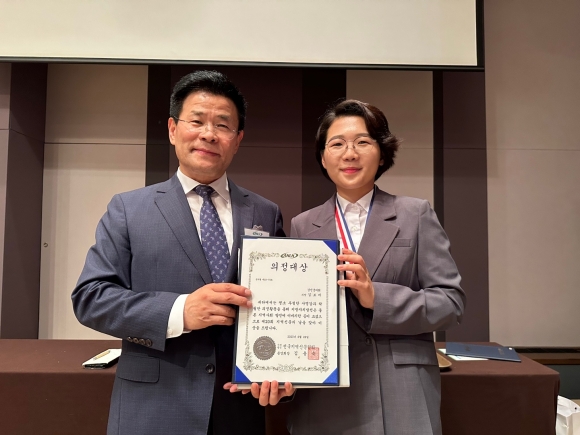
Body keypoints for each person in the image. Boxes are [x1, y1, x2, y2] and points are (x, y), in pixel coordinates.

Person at [229, 99, 466, 435]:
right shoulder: (302, 224)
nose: (349, 153)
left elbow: (451, 303)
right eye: (337, 144)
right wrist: (282, 371)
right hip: (326, 402)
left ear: (382, 154)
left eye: (362, 142)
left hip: (401, 392)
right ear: (323, 158)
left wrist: (376, 297)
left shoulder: (415, 215)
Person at [72, 70, 285, 435]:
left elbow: (278, 305)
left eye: (223, 125)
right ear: (173, 130)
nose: (208, 134)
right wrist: (179, 311)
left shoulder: (265, 212)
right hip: (154, 408)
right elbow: (91, 299)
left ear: (237, 140)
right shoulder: (128, 208)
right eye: (196, 121)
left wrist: (283, 368)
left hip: (239, 407)